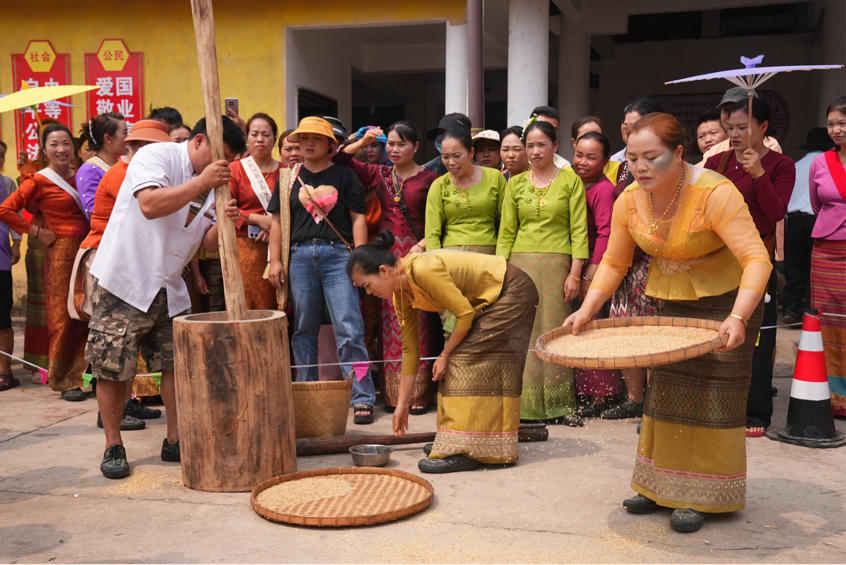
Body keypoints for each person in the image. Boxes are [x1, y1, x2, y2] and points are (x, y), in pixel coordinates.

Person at [566, 112, 771, 534]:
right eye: (634, 158)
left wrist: (738, 317)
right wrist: (587, 310)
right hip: (672, 301)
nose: (641, 167)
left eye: (652, 157)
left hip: (728, 305)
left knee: (712, 398)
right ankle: (658, 486)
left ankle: (703, 494)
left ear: (679, 154)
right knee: (667, 393)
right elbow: (615, 262)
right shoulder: (629, 199)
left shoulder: (714, 192)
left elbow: (757, 259)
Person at [86, 115, 246, 479]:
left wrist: (225, 222)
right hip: (126, 280)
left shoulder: (216, 183)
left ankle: (175, 439)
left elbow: (203, 242)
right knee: (113, 367)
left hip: (170, 286)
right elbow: (151, 204)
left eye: (231, 160)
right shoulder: (156, 156)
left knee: (175, 364)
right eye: (222, 156)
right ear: (200, 140)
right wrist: (203, 182)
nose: (226, 167)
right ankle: (114, 444)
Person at [348, 231, 539, 473]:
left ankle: (468, 449)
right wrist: (402, 405)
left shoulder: (422, 269)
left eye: (367, 285)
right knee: (459, 364)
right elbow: (410, 349)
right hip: (492, 299)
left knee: (461, 362)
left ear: (384, 271)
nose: (368, 293)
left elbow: (464, 313)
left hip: (512, 291)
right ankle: (461, 441)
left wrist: (445, 354)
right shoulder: (400, 294)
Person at [265, 116, 377, 424]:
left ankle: (362, 396)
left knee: (349, 327)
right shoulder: (288, 178)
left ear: (332, 145)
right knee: (303, 329)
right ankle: (306, 394)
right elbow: (277, 221)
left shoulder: (345, 175)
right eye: (303, 139)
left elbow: (358, 218)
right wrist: (275, 261)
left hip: (338, 256)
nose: (308, 143)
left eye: (316, 138)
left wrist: (360, 260)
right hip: (299, 256)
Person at [704, 97, 795, 437]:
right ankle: (715, 403)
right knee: (715, 328)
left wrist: (758, 174)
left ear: (763, 128)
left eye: (743, 128)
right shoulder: (716, 162)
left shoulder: (781, 165)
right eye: (731, 128)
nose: (735, 134)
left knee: (756, 334)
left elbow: (775, 213)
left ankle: (756, 408)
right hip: (717, 256)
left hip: (755, 255)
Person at [336, 121, 440, 414]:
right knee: (391, 320)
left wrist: (423, 247)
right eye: (390, 144)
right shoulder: (379, 174)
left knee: (420, 320)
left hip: (418, 251)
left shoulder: (431, 178)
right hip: (385, 253)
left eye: (402, 144)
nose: (395, 150)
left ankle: (420, 391)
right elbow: (342, 158)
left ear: (416, 147)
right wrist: (361, 139)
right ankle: (392, 394)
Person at [78, 119, 174, 425]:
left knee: (133, 347)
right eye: (146, 148)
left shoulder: (149, 173)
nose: (153, 154)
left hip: (144, 266)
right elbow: (152, 209)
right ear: (131, 147)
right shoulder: (126, 174)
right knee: (112, 348)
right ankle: (109, 422)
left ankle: (130, 406)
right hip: (114, 265)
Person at [496, 121, 588, 425]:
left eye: (541, 145)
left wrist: (575, 274)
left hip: (557, 265)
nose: (535, 151)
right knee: (524, 332)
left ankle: (561, 405)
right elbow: (506, 232)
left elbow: (579, 231)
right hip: (520, 265)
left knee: (556, 331)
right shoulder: (515, 183)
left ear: (555, 145)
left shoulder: (570, 182)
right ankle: (526, 406)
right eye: (530, 145)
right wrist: (500, 272)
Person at [0, 124, 90, 401]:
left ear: (74, 147)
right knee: (63, 315)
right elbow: (5, 209)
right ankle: (65, 380)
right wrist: (37, 232)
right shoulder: (38, 180)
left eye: (66, 143)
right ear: (44, 149)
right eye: (54, 144)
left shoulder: (85, 175)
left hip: (90, 250)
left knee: (90, 313)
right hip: (61, 252)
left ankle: (93, 375)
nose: (61, 149)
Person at [570, 132, 621, 415]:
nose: (582, 162)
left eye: (591, 157)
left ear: (606, 160)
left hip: (593, 264)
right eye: (579, 154)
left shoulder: (602, 189)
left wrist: (591, 271)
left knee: (591, 328)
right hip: (576, 261)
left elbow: (606, 232)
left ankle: (600, 396)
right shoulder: (573, 182)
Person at [810, 97, 846, 416]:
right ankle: (835, 397)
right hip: (826, 250)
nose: (836, 129)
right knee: (829, 322)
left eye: (842, 123)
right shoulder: (820, 162)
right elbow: (816, 204)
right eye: (831, 123)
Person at [228, 113, 280, 310]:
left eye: (266, 134)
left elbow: (294, 209)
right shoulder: (234, 169)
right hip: (246, 247)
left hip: (281, 247)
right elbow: (225, 209)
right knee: (248, 305)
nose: (260, 139)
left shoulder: (287, 171)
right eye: (254, 134)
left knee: (278, 305)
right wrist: (257, 219)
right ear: (246, 139)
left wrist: (273, 227)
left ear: (275, 139)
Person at [783, 128, 832, 324]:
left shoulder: (794, 166)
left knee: (795, 266)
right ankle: (811, 311)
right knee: (816, 268)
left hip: (794, 221)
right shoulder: (828, 165)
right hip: (817, 219)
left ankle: (791, 310)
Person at [700, 87, 782, 164]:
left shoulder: (769, 144)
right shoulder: (713, 152)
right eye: (726, 110)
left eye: (736, 109)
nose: (731, 115)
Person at [0, 141, 23, 391]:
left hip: (1, 259)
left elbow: (15, 215)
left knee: (2, 316)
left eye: (2, 156)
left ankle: (5, 371)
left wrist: (16, 244)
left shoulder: (6, 184)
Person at [76, 113, 128, 219]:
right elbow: (94, 215)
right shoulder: (88, 170)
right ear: (108, 138)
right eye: (125, 133)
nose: (128, 138)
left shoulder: (123, 164)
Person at [568, 116, 619, 183]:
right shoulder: (565, 174)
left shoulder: (618, 169)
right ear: (574, 142)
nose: (591, 140)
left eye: (597, 136)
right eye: (585, 137)